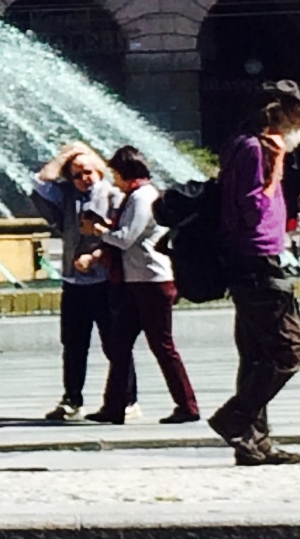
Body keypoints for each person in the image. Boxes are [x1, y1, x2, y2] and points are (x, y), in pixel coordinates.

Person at [209, 80, 300, 466]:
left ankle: (253, 443)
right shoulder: (254, 148)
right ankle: (234, 417)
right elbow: (250, 208)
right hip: (255, 260)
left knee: (255, 356)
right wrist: (276, 168)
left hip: (249, 259)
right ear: (278, 113)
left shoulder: (243, 145)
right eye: (296, 112)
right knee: (289, 350)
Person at [86, 146, 200, 425]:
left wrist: (100, 231)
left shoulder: (142, 198)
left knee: (162, 345)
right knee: (119, 343)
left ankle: (187, 406)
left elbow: (126, 238)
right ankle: (114, 406)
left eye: (115, 173)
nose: (114, 179)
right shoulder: (134, 196)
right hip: (134, 281)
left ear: (127, 172)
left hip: (152, 281)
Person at [31, 141, 135, 421]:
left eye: (88, 172)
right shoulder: (65, 195)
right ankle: (72, 400)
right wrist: (67, 154)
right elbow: (40, 182)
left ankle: (127, 399)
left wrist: (97, 255)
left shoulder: (112, 196)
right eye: (76, 174)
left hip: (105, 281)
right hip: (74, 282)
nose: (83, 179)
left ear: (99, 171)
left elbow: (124, 237)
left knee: (115, 342)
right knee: (74, 343)